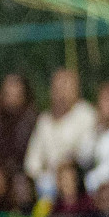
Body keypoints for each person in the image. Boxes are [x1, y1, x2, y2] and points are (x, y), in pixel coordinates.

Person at [24, 68, 97, 200]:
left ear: (76, 90)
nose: (61, 93)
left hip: (77, 179)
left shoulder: (86, 114)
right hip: (47, 183)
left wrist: (65, 166)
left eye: (65, 86)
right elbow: (32, 162)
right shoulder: (44, 120)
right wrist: (46, 173)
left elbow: (86, 154)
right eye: (57, 87)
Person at [0, 74, 37, 175]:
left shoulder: (32, 120)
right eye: (7, 93)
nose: (11, 97)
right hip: (1, 173)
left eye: (15, 93)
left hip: (24, 173)